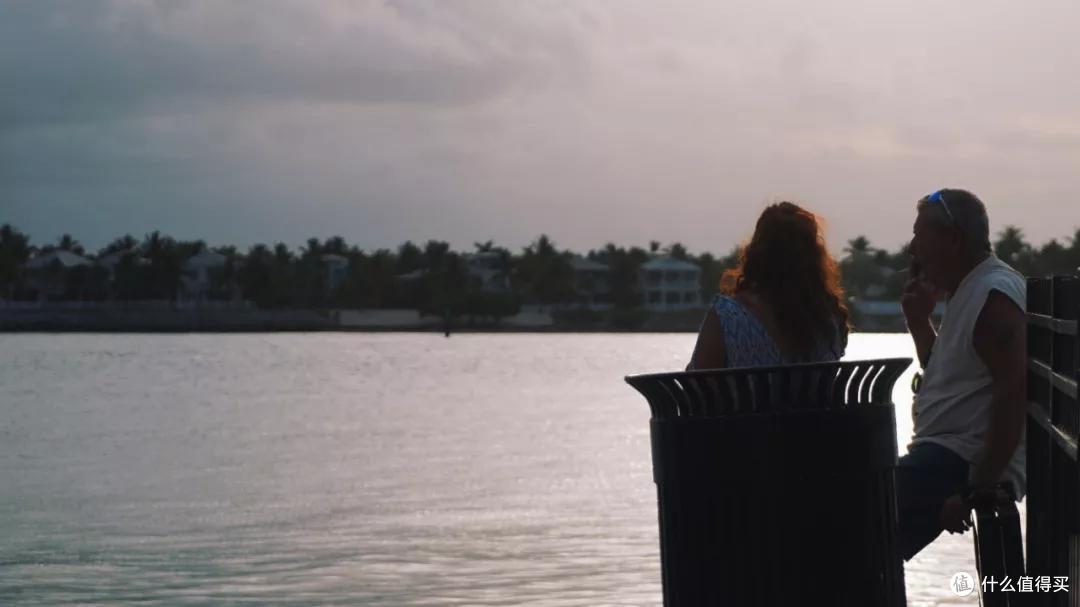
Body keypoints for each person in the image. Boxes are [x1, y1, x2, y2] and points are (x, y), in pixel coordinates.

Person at [897, 188, 1027, 561]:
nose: (912, 249)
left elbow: (1012, 394)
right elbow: (957, 382)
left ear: (952, 240)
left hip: (955, 463)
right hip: (944, 458)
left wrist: (978, 486)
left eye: (920, 236)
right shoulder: (971, 290)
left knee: (849, 522)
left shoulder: (992, 297)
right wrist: (919, 322)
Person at [687, 201, 850, 370]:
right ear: (814, 258)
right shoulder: (829, 320)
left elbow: (696, 381)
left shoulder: (729, 316)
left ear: (757, 251)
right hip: (813, 398)